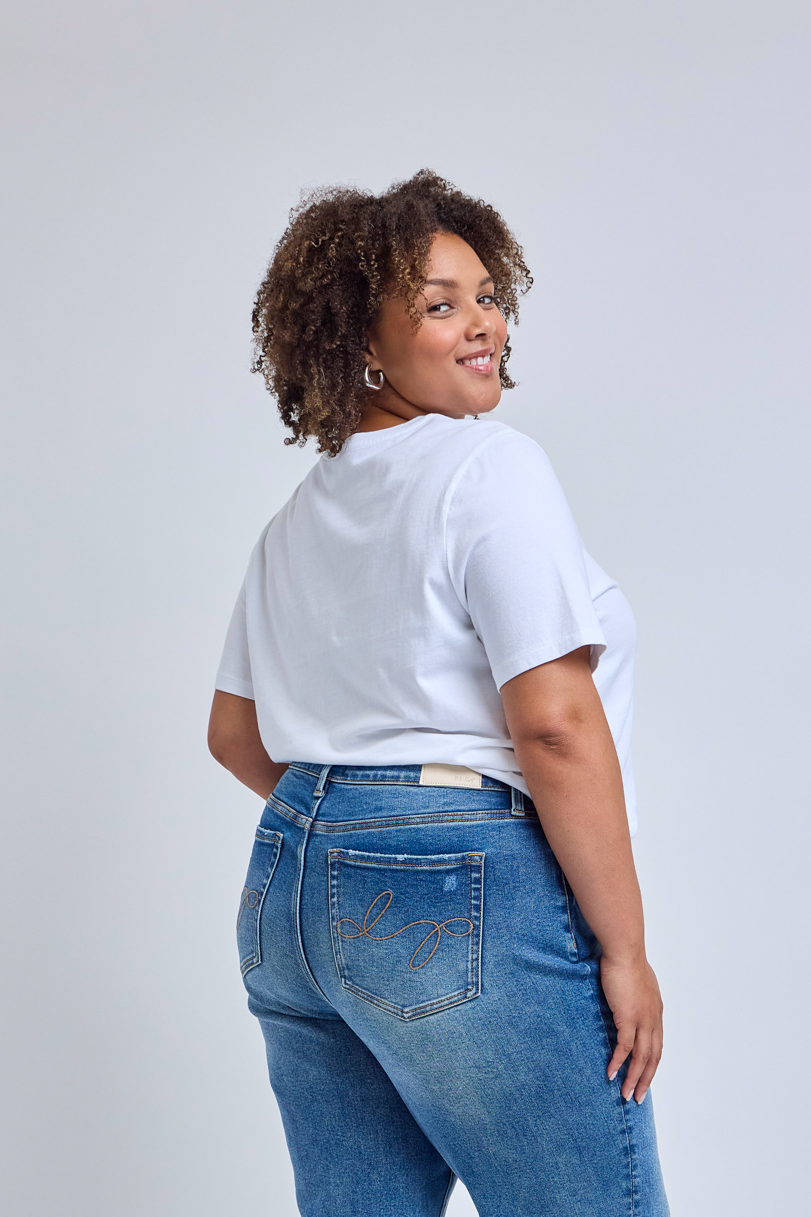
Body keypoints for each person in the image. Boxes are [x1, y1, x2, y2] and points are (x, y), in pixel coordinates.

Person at [208, 169, 671, 1216]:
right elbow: (553, 724)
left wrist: (355, 827)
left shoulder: (298, 515)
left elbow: (233, 733)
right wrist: (626, 950)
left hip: (290, 898)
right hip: (456, 886)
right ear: (361, 345)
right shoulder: (486, 466)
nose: (483, 325)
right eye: (438, 303)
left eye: (485, 294)